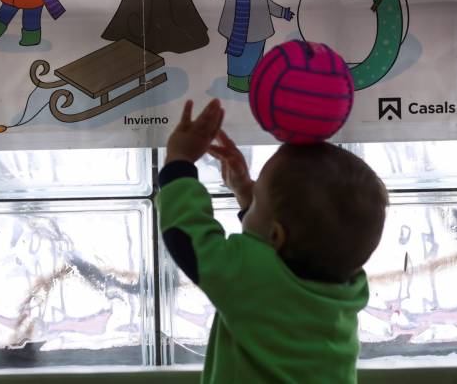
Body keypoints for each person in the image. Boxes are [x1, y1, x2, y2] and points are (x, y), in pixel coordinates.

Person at [157, 99, 388, 383]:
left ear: (276, 235)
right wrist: (246, 195)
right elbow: (279, 250)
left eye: (256, 204)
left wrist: (179, 161)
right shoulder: (347, 288)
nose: (250, 203)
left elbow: (187, 236)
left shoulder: (253, 282)